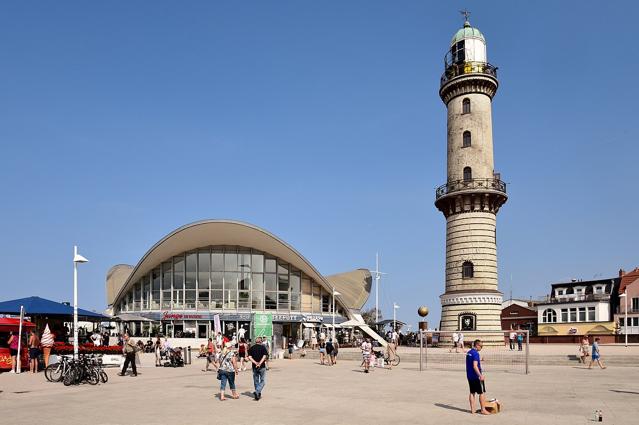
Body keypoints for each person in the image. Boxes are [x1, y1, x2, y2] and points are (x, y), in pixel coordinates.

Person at [466, 339, 489, 415]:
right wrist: (480, 375)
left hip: (469, 376)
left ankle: (473, 410)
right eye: (481, 346)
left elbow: (472, 362)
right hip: (476, 376)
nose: (481, 348)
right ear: (477, 345)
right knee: (481, 393)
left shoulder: (469, 353)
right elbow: (475, 366)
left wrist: (480, 360)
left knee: (472, 392)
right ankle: (483, 409)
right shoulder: (476, 354)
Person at [248, 337, 269, 401]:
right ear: (261, 341)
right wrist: (259, 363)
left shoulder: (252, 348)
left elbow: (249, 357)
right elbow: (264, 356)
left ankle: (257, 394)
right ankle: (257, 392)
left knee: (256, 381)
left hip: (254, 366)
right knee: (263, 381)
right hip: (262, 366)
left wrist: (255, 363)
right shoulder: (263, 347)